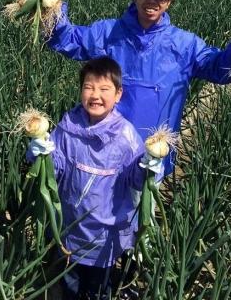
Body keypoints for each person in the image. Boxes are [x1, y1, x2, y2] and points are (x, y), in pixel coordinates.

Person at [47, 0, 231, 178]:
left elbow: (216, 68)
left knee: (144, 208)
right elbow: (69, 40)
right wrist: (51, 8)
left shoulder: (183, 44)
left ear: (169, 2)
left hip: (153, 154)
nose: (152, 0)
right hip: (106, 152)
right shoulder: (109, 32)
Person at [27, 57, 161, 300]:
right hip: (70, 228)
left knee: (98, 291)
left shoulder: (126, 136)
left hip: (105, 237)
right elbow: (56, 170)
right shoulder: (68, 128)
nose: (95, 95)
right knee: (70, 285)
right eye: (89, 87)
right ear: (80, 91)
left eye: (104, 89)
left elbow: (135, 180)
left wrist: (149, 167)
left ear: (118, 95)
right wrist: (42, 155)